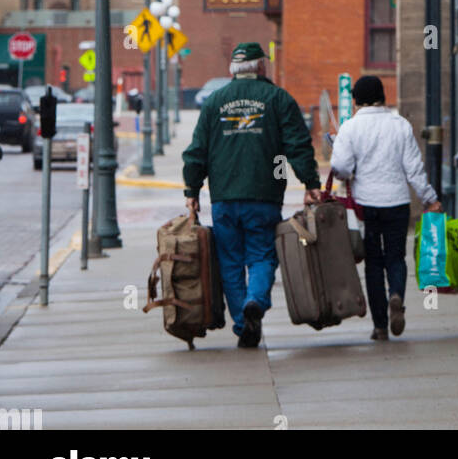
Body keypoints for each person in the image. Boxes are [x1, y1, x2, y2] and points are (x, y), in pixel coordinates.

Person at [182, 42, 321, 348]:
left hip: (224, 199)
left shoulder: (214, 102)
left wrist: (192, 190)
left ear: (232, 70)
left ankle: (243, 323)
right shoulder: (278, 99)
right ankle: (254, 301)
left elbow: (196, 152)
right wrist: (311, 183)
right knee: (261, 256)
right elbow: (298, 145)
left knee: (230, 261)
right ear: (261, 67)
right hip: (264, 195)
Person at [330, 75, 441, 341]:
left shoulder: (350, 127)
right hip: (397, 202)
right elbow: (414, 169)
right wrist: (429, 199)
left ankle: (380, 325)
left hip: (366, 206)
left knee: (373, 264)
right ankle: (397, 296)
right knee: (395, 257)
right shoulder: (400, 125)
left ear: (356, 100)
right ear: (383, 96)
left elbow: (341, 167)